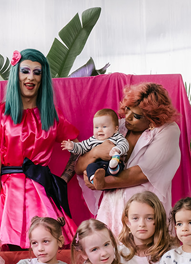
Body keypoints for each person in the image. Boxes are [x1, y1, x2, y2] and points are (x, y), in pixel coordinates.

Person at [0, 49, 79, 249]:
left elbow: (78, 148)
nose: (30, 77)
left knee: (46, 252)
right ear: (16, 74)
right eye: (25, 71)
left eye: (37, 72)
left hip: (41, 192)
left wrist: (64, 178)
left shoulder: (52, 115)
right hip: (7, 197)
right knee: (8, 257)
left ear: (43, 78)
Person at [76, 83, 181, 237]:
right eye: (127, 109)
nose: (128, 117)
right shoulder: (119, 127)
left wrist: (102, 183)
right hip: (112, 209)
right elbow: (79, 166)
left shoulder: (168, 130)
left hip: (145, 215)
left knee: (147, 257)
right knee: (109, 255)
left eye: (137, 116)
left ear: (153, 119)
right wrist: (95, 153)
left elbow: (140, 174)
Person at [62, 108, 129, 188]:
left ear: (115, 129)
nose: (100, 130)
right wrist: (72, 146)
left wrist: (117, 149)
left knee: (118, 165)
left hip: (113, 161)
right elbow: (82, 147)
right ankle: (95, 180)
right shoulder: (92, 140)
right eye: (96, 127)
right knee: (90, 167)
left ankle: (113, 168)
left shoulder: (117, 137)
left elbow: (124, 144)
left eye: (104, 127)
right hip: (98, 165)